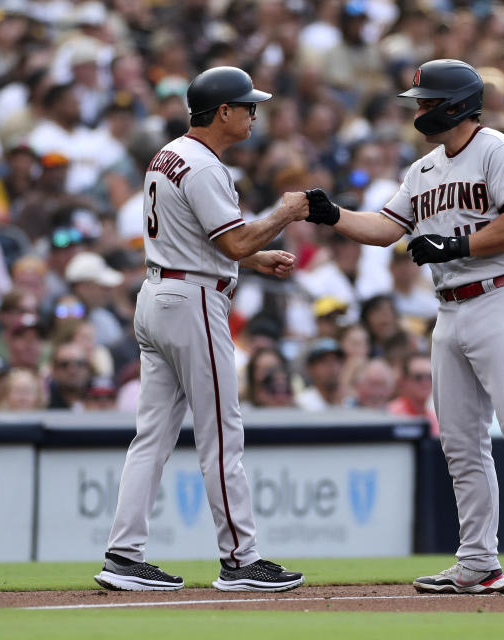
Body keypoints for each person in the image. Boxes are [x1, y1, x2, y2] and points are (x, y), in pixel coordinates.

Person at [303, 59, 504, 595]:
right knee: (460, 441)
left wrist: (454, 244)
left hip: (503, 298)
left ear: (457, 103)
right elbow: (386, 227)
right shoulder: (424, 169)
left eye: (429, 101)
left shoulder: (500, 150)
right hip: (449, 309)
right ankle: (479, 561)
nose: (421, 109)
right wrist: (333, 215)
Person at [95, 66, 308, 593]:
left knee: (151, 438)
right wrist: (283, 213)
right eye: (246, 105)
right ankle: (240, 559)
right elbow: (230, 243)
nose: (254, 113)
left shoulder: (168, 154)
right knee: (220, 434)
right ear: (222, 112)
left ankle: (123, 555)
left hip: (160, 292)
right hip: (192, 301)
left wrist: (253, 260)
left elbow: (202, 239)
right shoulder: (206, 166)